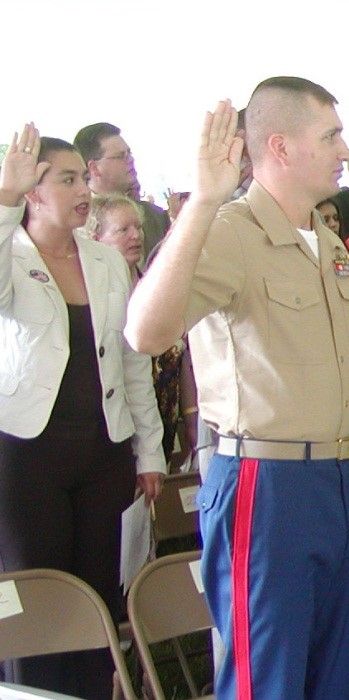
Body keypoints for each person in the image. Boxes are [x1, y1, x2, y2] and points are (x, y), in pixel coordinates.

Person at [126, 81, 349, 698]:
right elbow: (145, 332)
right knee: (268, 679)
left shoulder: (329, 241)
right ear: (280, 147)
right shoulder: (228, 231)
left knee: (332, 678)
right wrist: (204, 204)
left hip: (337, 479)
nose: (345, 150)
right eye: (331, 136)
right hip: (267, 484)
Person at [0, 127, 166, 698]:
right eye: (67, 179)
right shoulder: (11, 252)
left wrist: (149, 450)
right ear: (32, 191)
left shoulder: (104, 261)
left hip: (103, 450)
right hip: (27, 455)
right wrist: (4, 200)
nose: (82, 191)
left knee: (98, 597)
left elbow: (132, 360)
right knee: (37, 601)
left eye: (82, 178)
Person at [83, 194, 198, 464]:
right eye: (123, 229)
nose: (135, 235)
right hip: (115, 433)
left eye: (138, 227)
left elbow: (184, 358)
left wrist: (192, 417)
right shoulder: (92, 303)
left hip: (166, 425)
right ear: (95, 239)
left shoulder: (156, 294)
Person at [73, 122, 172, 260]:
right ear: (94, 167)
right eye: (120, 156)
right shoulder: (74, 223)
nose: (130, 160)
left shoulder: (156, 217)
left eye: (129, 153)